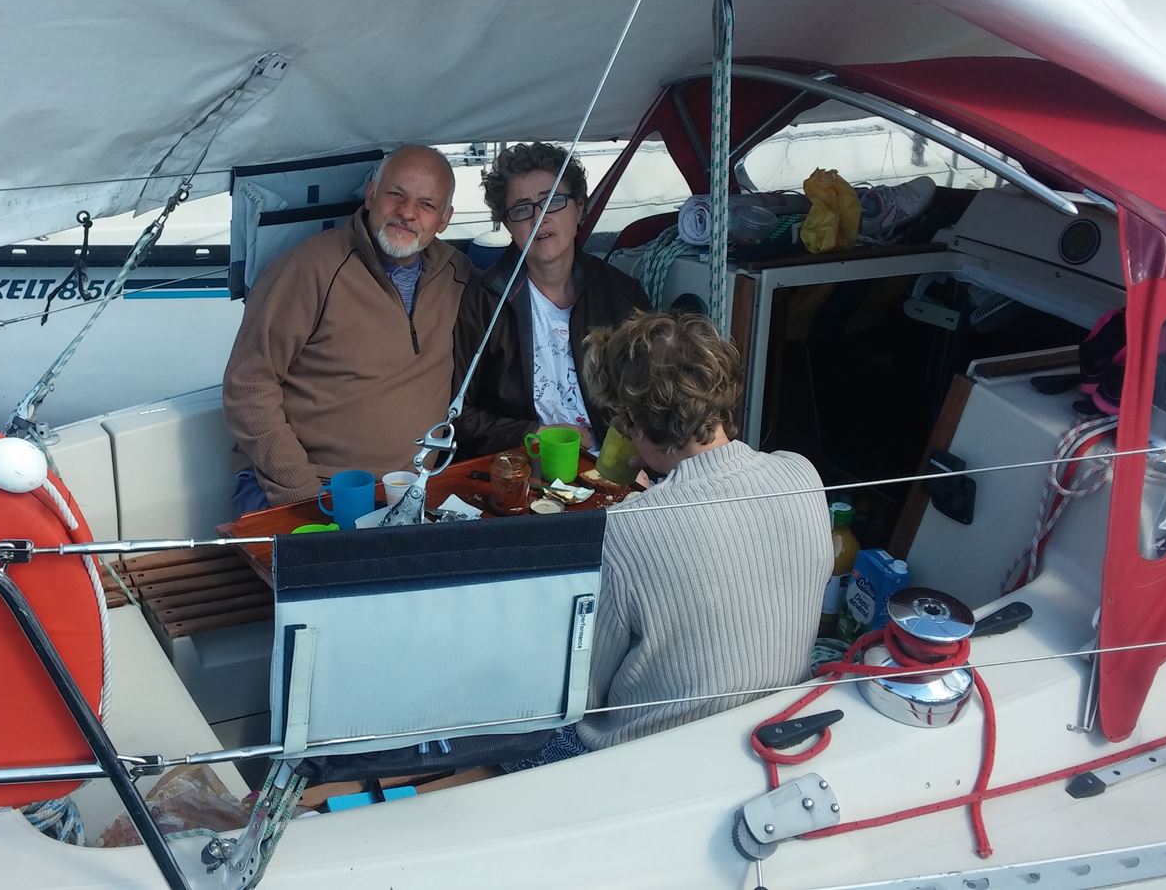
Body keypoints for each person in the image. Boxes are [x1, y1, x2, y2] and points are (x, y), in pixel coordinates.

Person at [511, 312, 829, 768]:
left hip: (661, 757)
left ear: (634, 422)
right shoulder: (802, 473)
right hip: (776, 727)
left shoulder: (626, 531)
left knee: (513, 727)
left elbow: (581, 693)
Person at [223, 145, 470, 510]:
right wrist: (302, 491)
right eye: (396, 195)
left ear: (445, 219)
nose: (407, 213)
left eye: (426, 204)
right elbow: (247, 385)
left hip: (409, 491)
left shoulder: (457, 275)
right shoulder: (310, 268)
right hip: (315, 487)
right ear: (371, 196)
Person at [452, 143, 647, 458]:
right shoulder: (485, 299)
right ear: (507, 224)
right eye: (521, 209)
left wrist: (625, 462)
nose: (538, 218)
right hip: (524, 465)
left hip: (613, 465)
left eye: (552, 201)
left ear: (579, 209)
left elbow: (649, 399)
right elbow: (460, 414)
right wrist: (533, 434)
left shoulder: (623, 295)